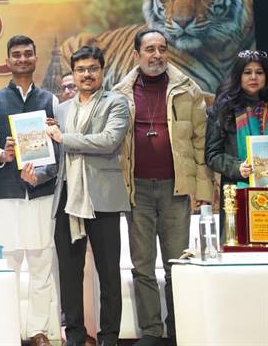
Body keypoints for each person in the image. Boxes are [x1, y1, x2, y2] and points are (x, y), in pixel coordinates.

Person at [113, 29, 213, 346]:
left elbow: (200, 142)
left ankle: (178, 330)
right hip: (137, 190)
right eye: (150, 49)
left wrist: (203, 191)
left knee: (176, 264)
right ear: (136, 54)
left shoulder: (188, 90)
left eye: (162, 48)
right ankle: (152, 332)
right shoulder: (120, 93)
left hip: (176, 189)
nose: (157, 55)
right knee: (142, 265)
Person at [47, 45, 130, 346]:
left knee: (108, 274)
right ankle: (75, 336)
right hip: (67, 197)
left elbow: (109, 141)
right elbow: (56, 156)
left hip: (102, 197)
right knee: (69, 273)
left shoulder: (116, 103)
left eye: (93, 68)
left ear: (102, 71)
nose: (86, 74)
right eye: (80, 69)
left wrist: (63, 137)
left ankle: (109, 338)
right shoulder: (61, 109)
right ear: (73, 73)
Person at [0, 35, 60, 346]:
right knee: (10, 264)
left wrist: (39, 176)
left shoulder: (50, 100)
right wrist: (2, 154)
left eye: (27, 54)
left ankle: (38, 331)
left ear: (35, 59)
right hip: (7, 192)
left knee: (42, 263)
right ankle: (10, 329)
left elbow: (58, 152)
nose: (22, 59)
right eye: (16, 54)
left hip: (41, 192)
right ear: (8, 61)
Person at [205, 50, 268, 242]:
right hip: (236, 193)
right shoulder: (223, 109)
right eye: (247, 72)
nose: (253, 77)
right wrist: (237, 167)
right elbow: (212, 155)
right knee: (240, 250)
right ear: (238, 75)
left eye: (259, 72)